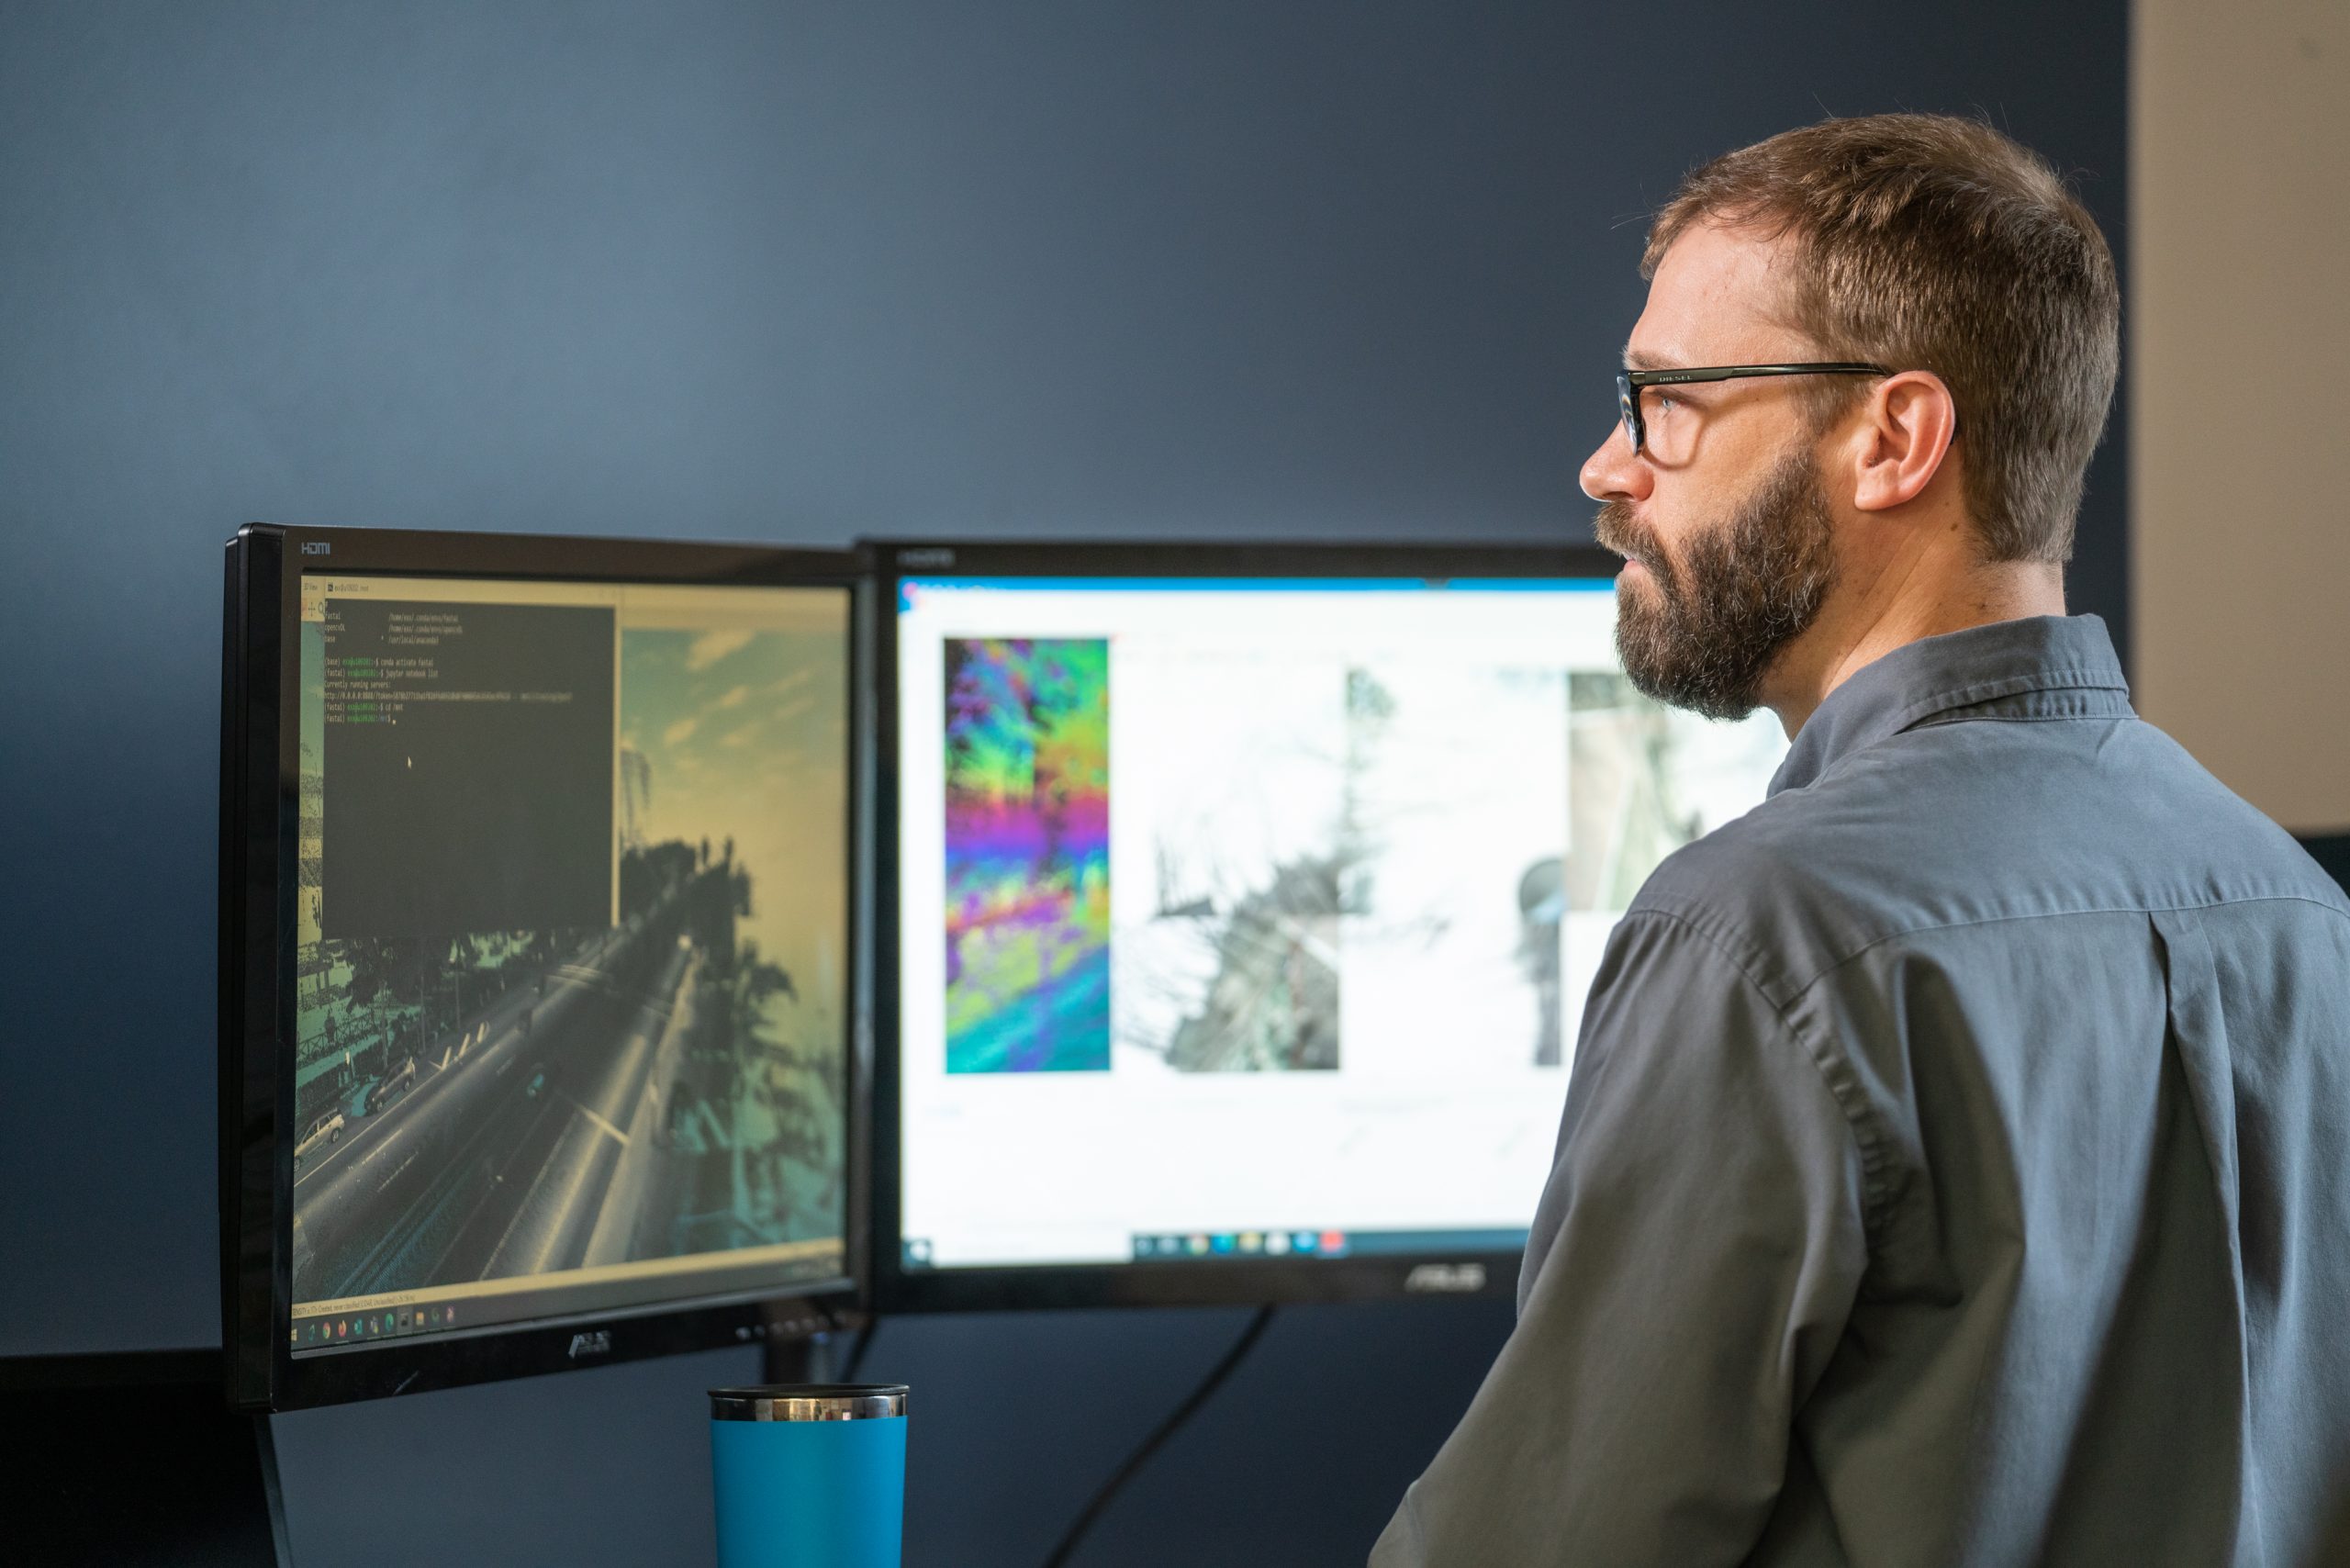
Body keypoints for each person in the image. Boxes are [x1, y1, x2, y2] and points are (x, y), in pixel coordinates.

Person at [1371, 114, 2350, 1567]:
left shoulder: (1761, 939)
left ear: (1894, 438)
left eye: (1665, 401)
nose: (1607, 466)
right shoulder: (2297, 908)